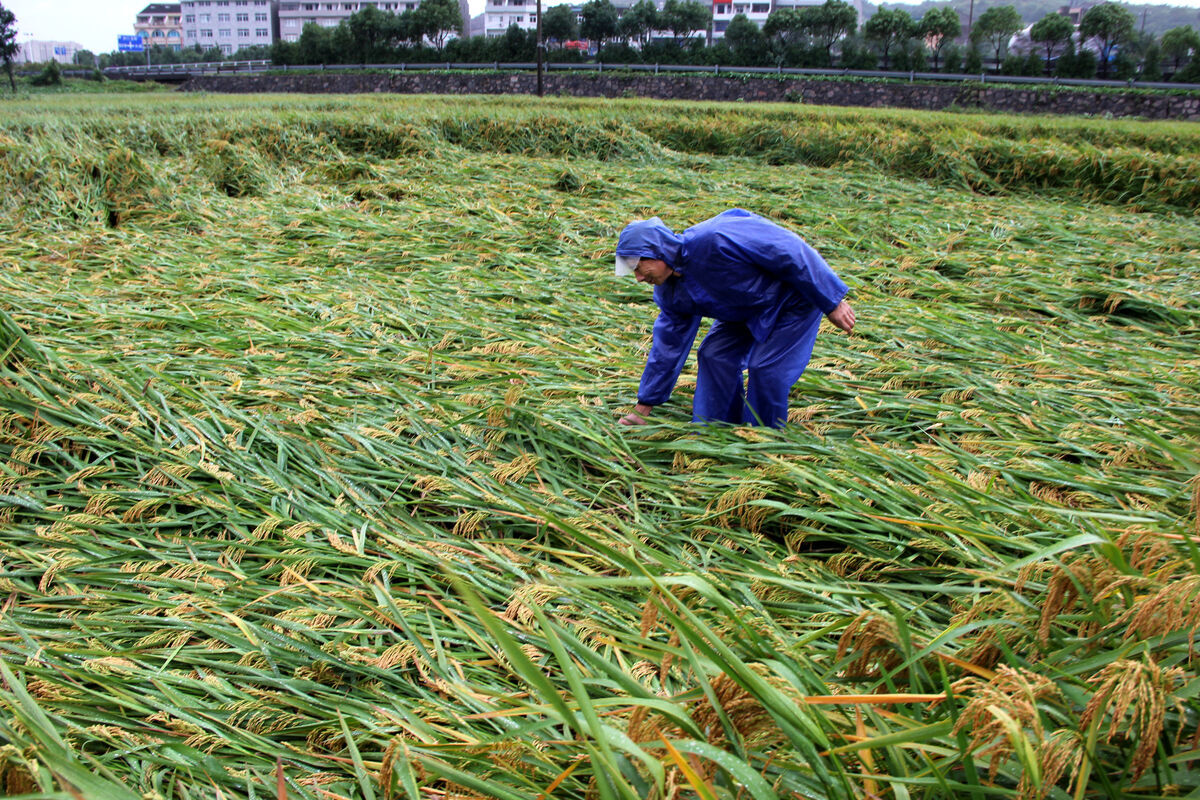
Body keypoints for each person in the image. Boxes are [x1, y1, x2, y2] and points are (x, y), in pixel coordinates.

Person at [615, 208, 855, 428]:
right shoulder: (670, 291)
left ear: (658, 251)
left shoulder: (715, 239)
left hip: (793, 300)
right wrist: (643, 409)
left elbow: (790, 248)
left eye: (638, 267)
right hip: (745, 311)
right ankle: (718, 429)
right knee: (714, 355)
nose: (638, 278)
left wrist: (831, 300)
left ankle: (762, 439)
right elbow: (667, 348)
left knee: (765, 369)